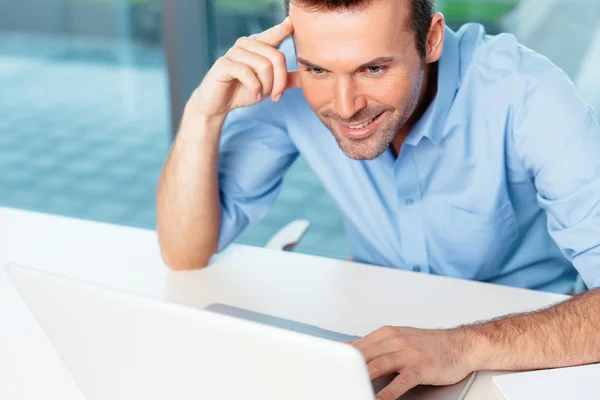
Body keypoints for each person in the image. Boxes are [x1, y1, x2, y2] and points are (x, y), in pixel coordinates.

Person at [156, 0, 600, 398]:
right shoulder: (285, 79)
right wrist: (203, 112)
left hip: (521, 354)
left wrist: (463, 345)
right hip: (367, 336)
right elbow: (184, 251)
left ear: (431, 39)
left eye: (373, 69)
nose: (346, 106)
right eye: (318, 70)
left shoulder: (527, 94)